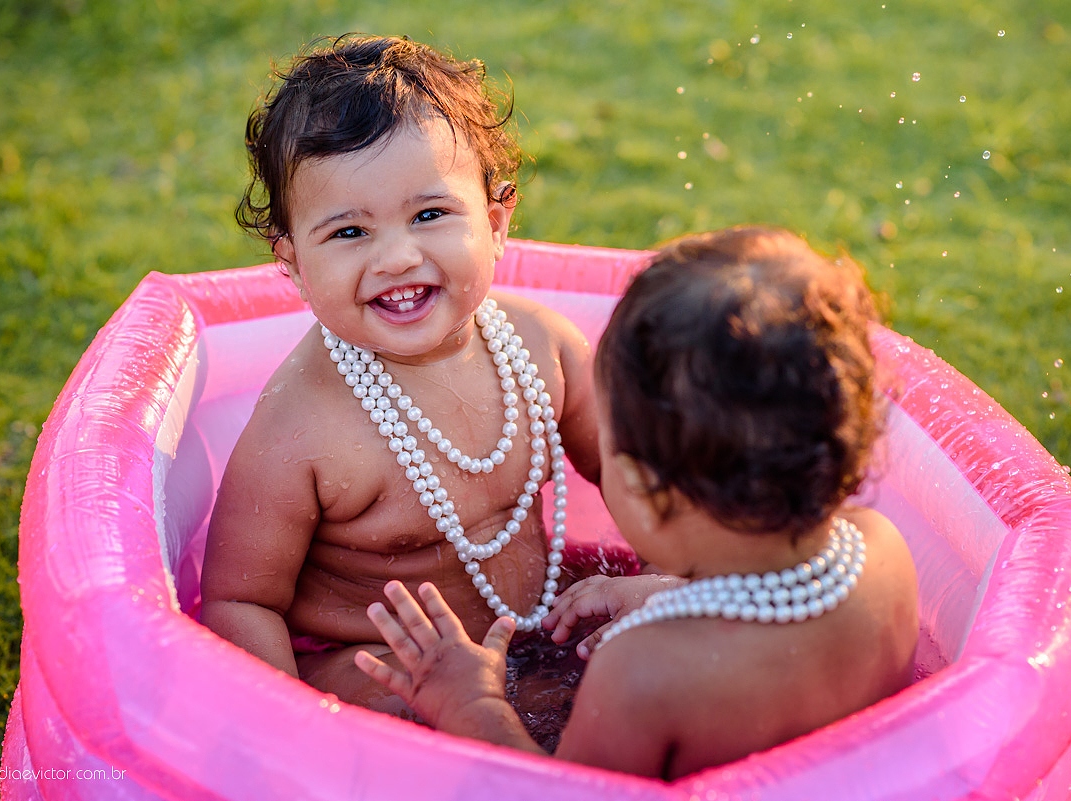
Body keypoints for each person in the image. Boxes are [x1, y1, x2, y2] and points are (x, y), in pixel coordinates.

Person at [355, 226, 920, 779]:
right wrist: (673, 593)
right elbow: (778, 621)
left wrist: (472, 706)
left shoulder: (644, 672)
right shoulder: (880, 549)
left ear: (646, 493)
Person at [200, 34, 601, 715]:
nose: (397, 257)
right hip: (390, 670)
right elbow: (241, 599)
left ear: (497, 222)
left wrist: (671, 585)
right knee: (400, 705)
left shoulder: (543, 350)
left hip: (536, 627)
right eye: (350, 232)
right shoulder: (303, 425)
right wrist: (292, 734)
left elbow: (647, 473)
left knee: (658, 646)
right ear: (293, 262)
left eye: (430, 214)